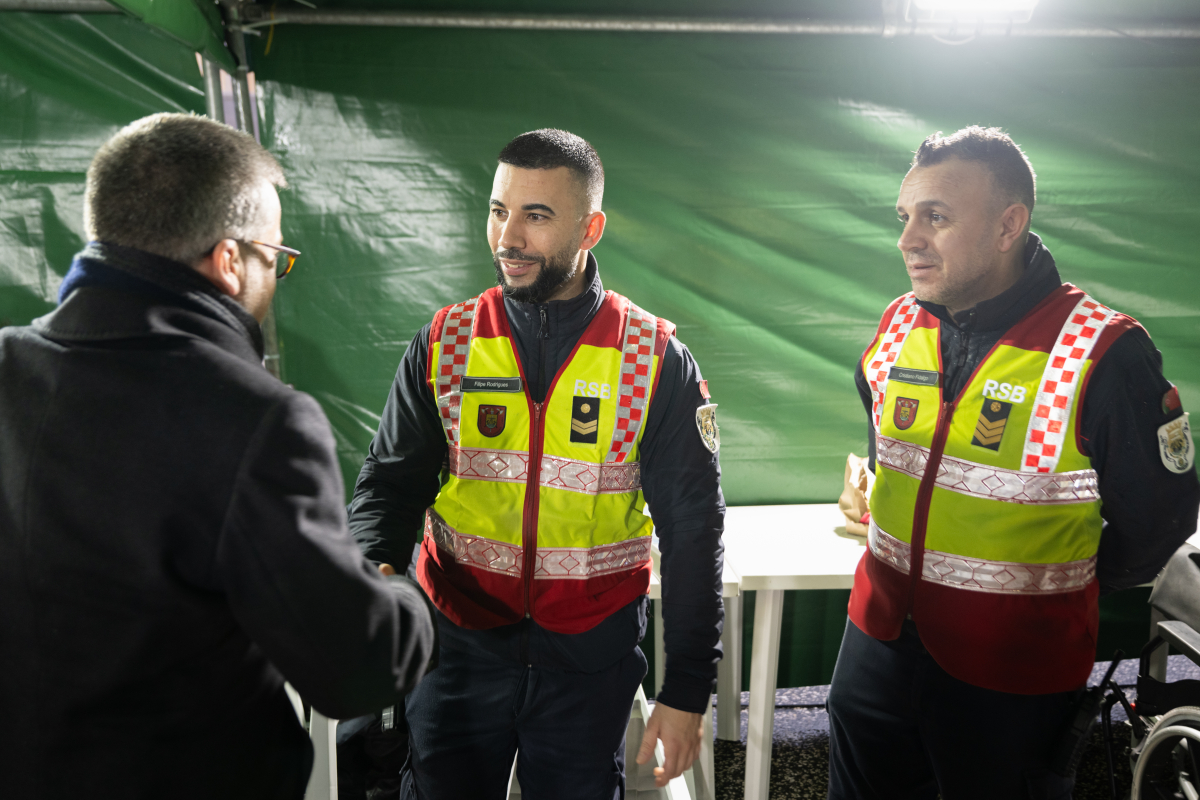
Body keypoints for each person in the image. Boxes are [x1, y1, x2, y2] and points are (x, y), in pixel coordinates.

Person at [0, 113, 436, 800]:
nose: (276, 276)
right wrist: (403, 594)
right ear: (230, 261)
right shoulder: (256, 419)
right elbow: (352, 668)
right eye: (277, 258)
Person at [347, 128, 725, 799]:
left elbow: (694, 530)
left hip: (590, 662)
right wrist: (373, 569)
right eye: (498, 210)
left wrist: (688, 688)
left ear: (591, 228)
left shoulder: (654, 358)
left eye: (537, 216)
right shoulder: (445, 342)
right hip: (455, 649)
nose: (508, 238)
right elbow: (390, 483)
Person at [828, 126, 1200, 799]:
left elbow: (1159, 521)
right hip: (875, 643)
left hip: (1012, 675)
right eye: (905, 217)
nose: (908, 238)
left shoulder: (1104, 353)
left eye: (935, 216)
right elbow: (891, 454)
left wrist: (1052, 588)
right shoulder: (896, 325)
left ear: (1009, 226)